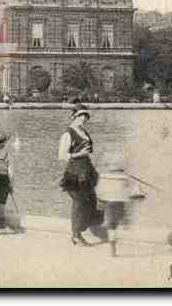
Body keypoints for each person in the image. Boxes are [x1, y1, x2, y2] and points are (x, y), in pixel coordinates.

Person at [58, 104, 106, 246]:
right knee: (78, 202)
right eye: (81, 116)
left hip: (87, 171)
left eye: (86, 116)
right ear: (75, 116)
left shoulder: (83, 131)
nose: (84, 119)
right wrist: (79, 153)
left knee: (91, 200)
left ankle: (83, 227)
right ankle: (76, 234)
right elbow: (61, 155)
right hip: (74, 172)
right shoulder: (68, 133)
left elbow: (88, 151)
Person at [95, 152, 146, 257]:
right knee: (124, 217)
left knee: (111, 227)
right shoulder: (125, 177)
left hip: (109, 204)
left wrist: (100, 201)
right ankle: (127, 223)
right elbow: (133, 190)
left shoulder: (103, 176)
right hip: (120, 203)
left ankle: (112, 247)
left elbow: (99, 191)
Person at [0, 131, 24, 234]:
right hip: (3, 178)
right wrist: (11, 184)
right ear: (3, 143)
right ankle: (1, 226)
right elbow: (11, 172)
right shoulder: (7, 154)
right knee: (1, 202)